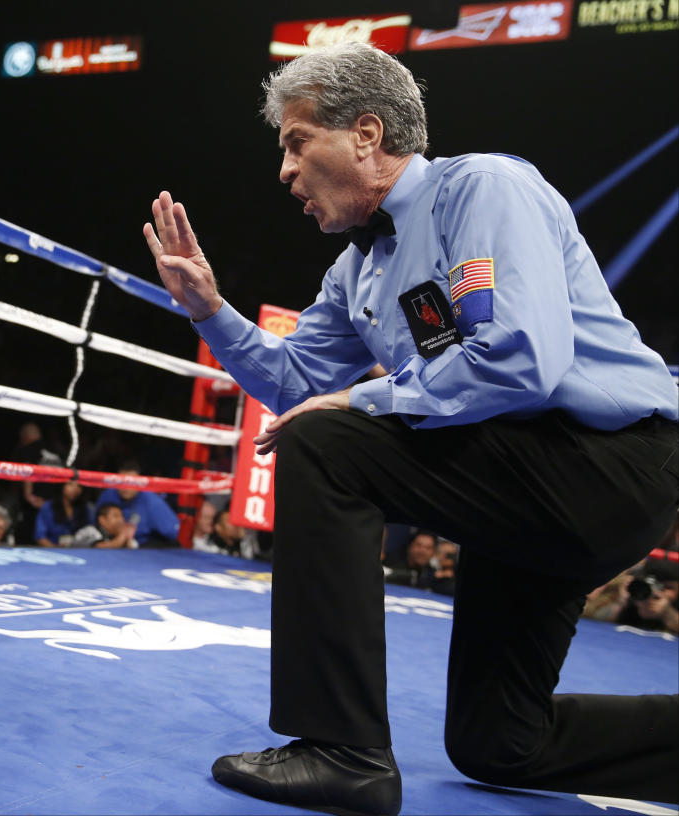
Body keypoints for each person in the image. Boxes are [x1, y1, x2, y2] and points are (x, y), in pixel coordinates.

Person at [143, 41, 678, 814]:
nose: (285, 172)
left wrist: (363, 402)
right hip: (522, 487)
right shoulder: (356, 268)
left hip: (607, 464)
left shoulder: (483, 188)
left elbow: (521, 357)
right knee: (500, 743)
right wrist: (208, 310)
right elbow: (293, 382)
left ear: (366, 134)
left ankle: (340, 749)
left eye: (297, 142)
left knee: (325, 444)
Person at [94, 460, 180, 547]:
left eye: (131, 483)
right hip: (109, 544)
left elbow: (173, 533)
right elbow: (96, 526)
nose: (125, 487)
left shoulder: (152, 502)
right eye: (122, 482)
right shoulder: (107, 496)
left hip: (143, 548)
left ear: (140, 482)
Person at [34, 478, 93, 548]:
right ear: (62, 486)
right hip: (53, 551)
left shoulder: (86, 508)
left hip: (80, 550)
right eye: (70, 484)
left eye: (79, 486)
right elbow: (40, 536)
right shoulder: (48, 507)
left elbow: (91, 533)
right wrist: (56, 548)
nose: (75, 489)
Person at [72, 503, 138, 549]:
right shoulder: (89, 531)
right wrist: (123, 535)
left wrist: (128, 538)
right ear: (102, 520)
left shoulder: (119, 534)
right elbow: (97, 548)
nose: (120, 520)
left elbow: (133, 551)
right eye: (116, 516)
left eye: (121, 516)